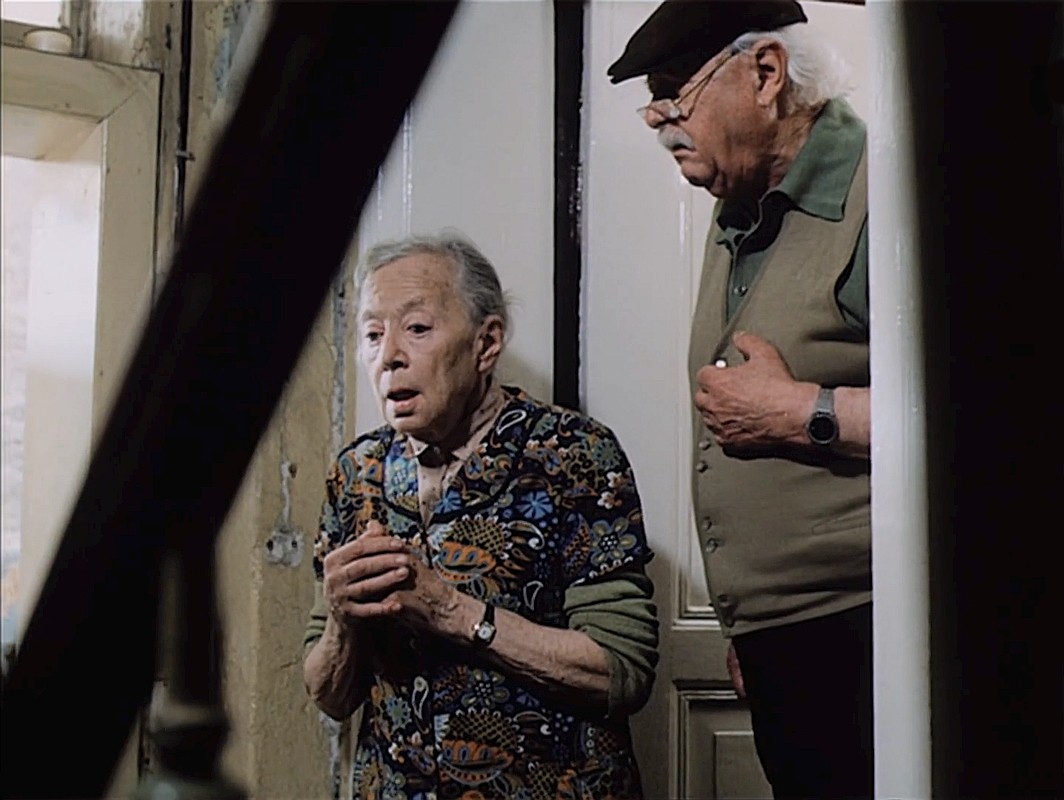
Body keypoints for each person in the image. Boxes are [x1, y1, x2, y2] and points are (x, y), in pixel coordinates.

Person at [608, 1, 872, 798]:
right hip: (786, 643)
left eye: (674, 95)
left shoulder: (893, 196)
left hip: (872, 634)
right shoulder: (743, 204)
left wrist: (802, 413)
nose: (661, 125)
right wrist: (753, 622)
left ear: (764, 74)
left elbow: (1000, 425)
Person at [302, 232, 659, 800]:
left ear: (486, 343)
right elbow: (330, 695)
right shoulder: (356, 473)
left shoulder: (573, 454)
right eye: (372, 334)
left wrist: (452, 611)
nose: (389, 355)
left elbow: (621, 671)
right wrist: (343, 622)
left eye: (417, 328)